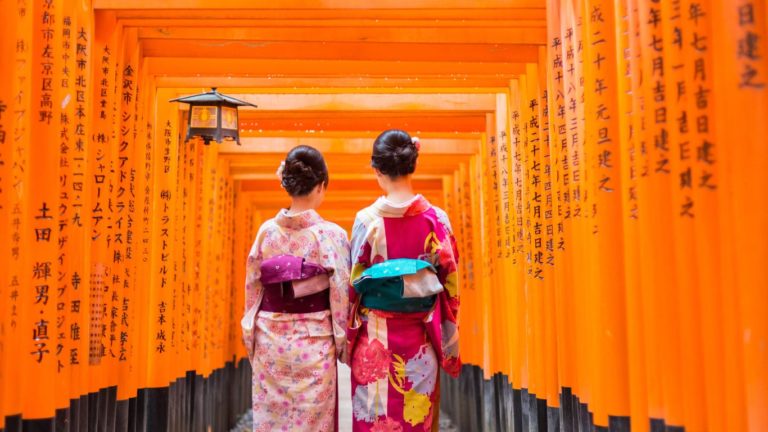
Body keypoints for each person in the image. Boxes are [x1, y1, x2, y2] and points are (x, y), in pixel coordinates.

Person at [348, 129, 460, 432]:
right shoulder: (436, 220)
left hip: (374, 341)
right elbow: (451, 288)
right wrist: (445, 337)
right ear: (414, 162)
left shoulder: (366, 221)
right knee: (416, 421)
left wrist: (347, 338)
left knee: (374, 422)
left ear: (376, 169)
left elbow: (353, 285)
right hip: (419, 342)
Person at [242, 145, 350, 432]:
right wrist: (343, 345)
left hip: (270, 341)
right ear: (322, 185)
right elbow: (340, 295)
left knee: (272, 420)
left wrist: (251, 336)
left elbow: (253, 289)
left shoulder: (266, 232)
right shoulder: (332, 235)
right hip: (313, 343)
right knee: (313, 422)